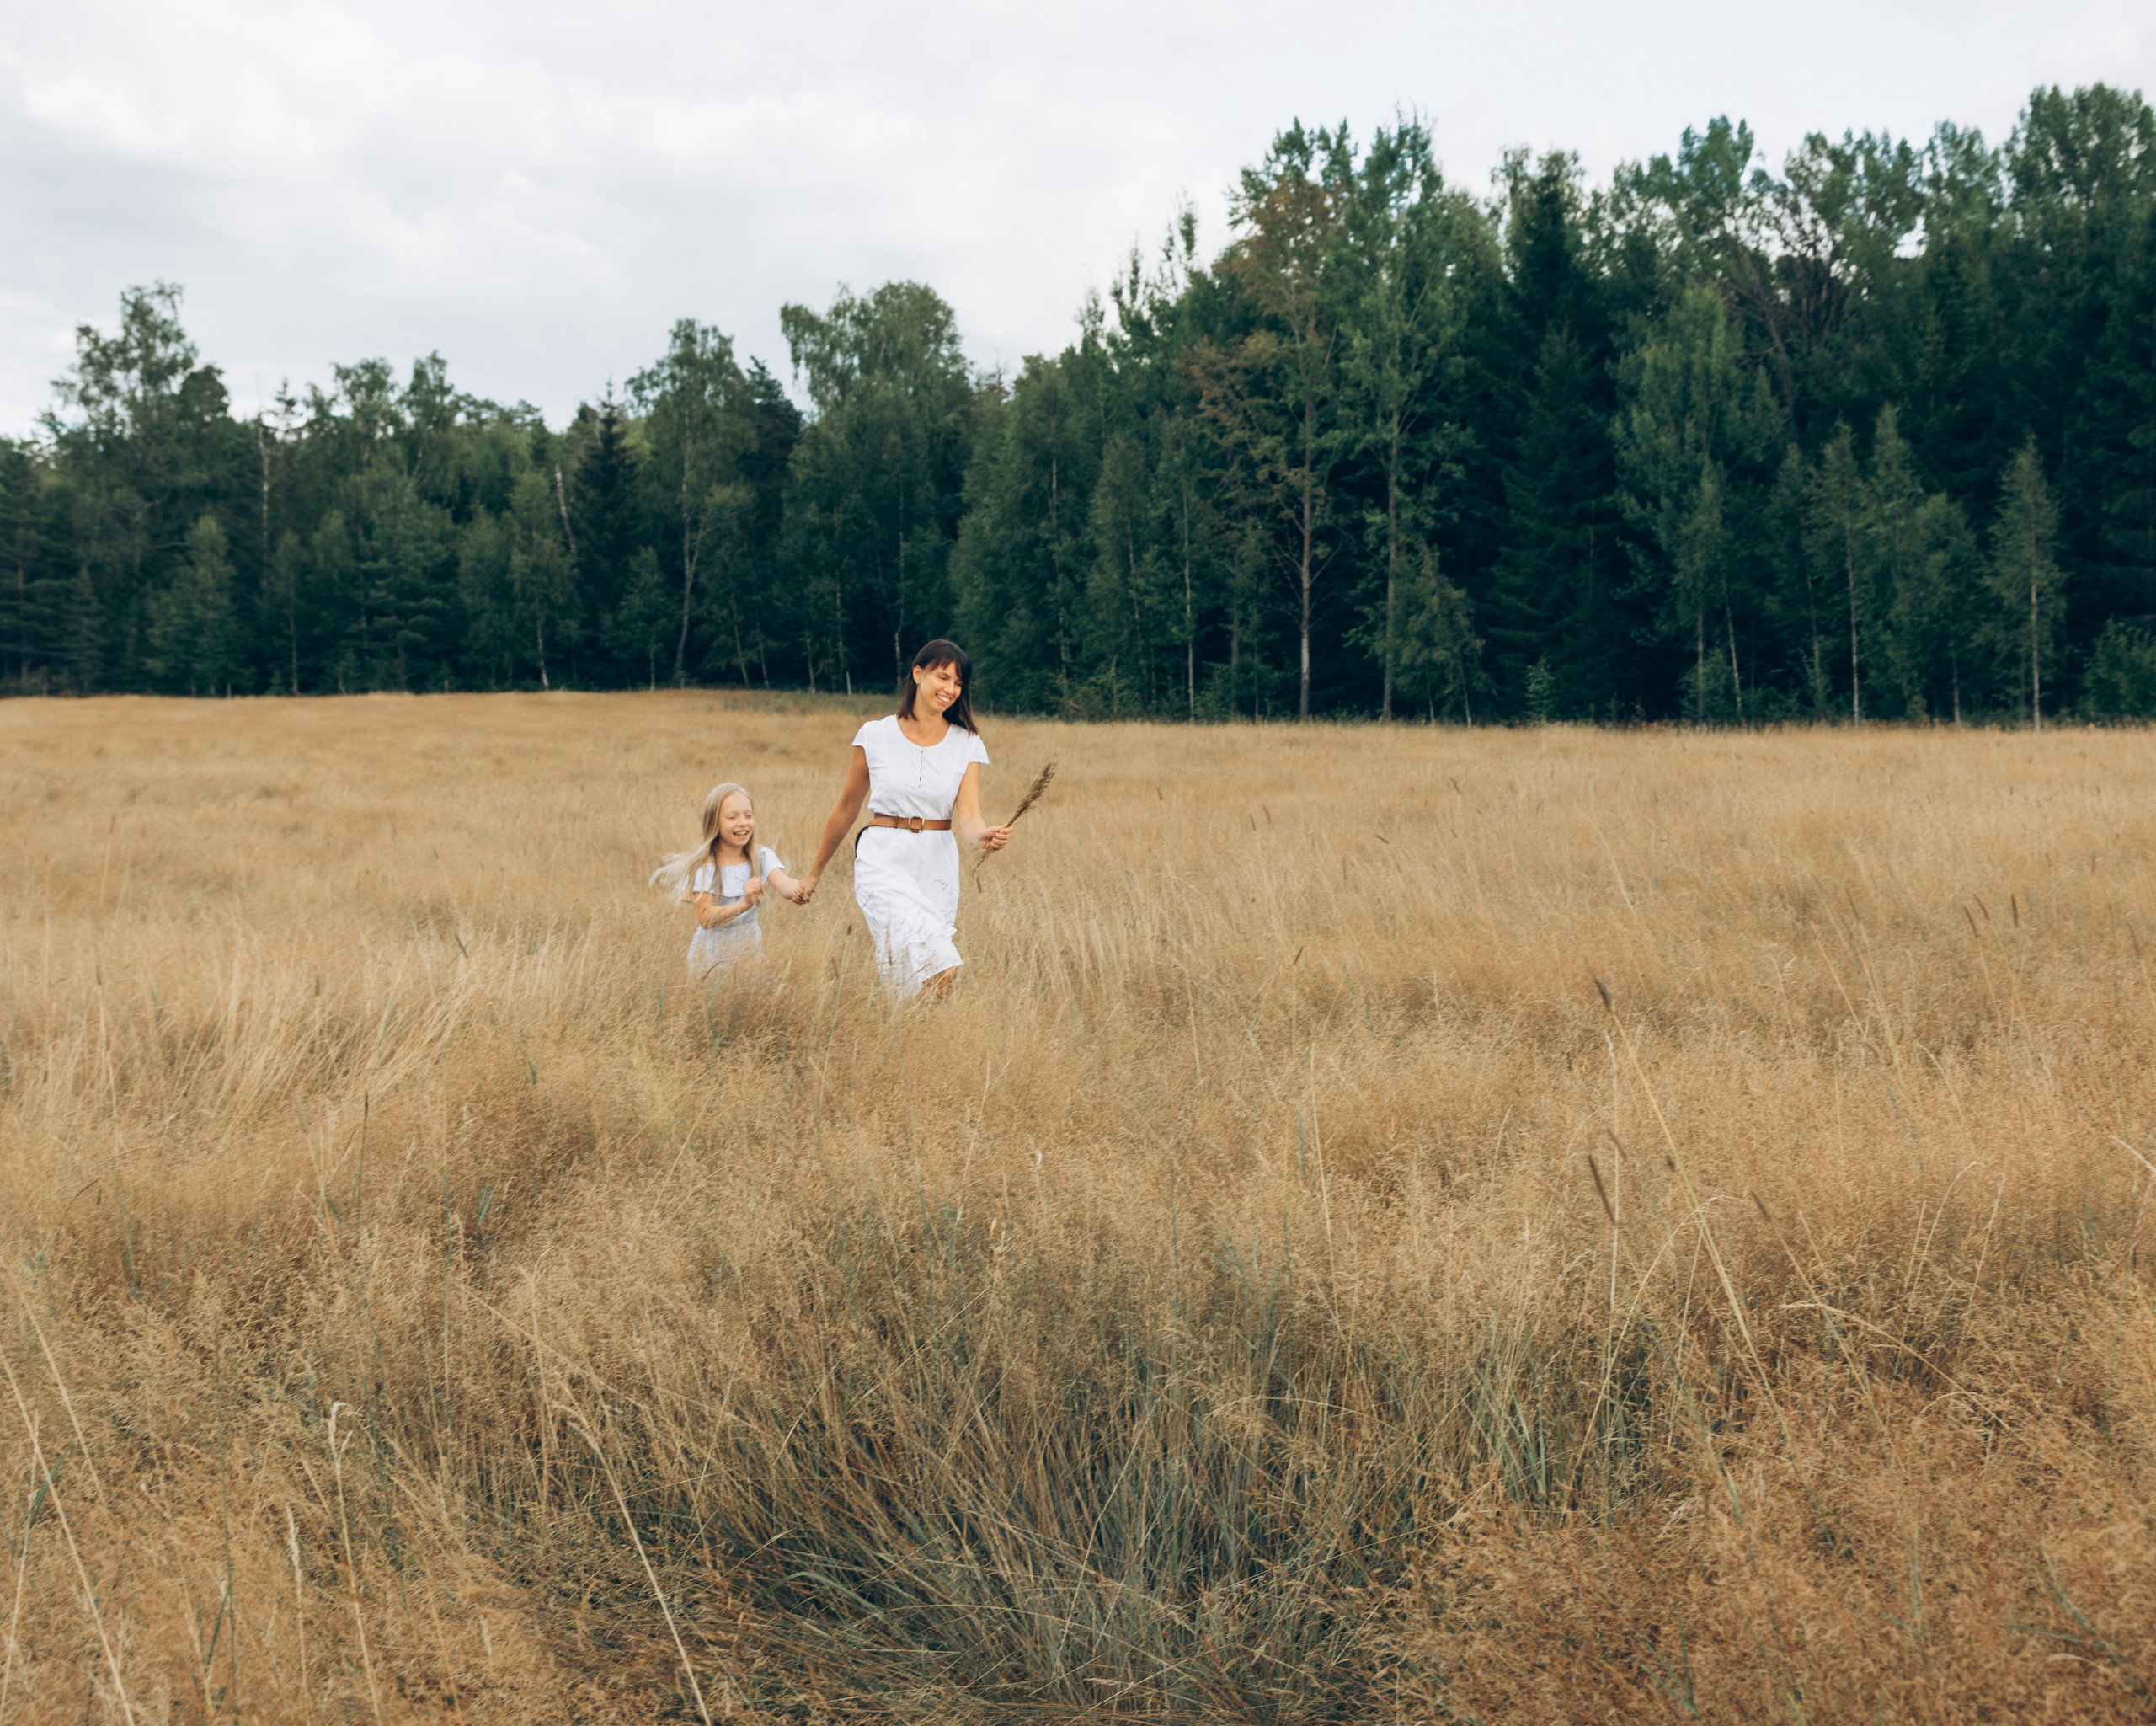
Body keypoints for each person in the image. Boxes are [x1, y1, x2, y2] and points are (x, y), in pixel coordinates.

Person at [798, 639, 1011, 999]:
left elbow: (970, 818)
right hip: (882, 857)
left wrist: (982, 836)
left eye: (958, 683)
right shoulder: (875, 735)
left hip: (936, 865)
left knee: (919, 977)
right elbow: (846, 809)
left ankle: (907, 1028)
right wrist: (814, 872)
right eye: (943, 677)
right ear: (917, 673)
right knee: (942, 964)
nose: (950, 689)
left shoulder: (967, 743)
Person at [651, 782, 803, 982]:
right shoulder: (706, 866)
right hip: (711, 962)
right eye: (732, 817)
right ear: (714, 823)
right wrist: (745, 904)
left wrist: (801, 887)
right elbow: (706, 918)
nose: (743, 823)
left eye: (748, 816)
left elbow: (785, 884)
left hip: (750, 957)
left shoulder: (760, 856)